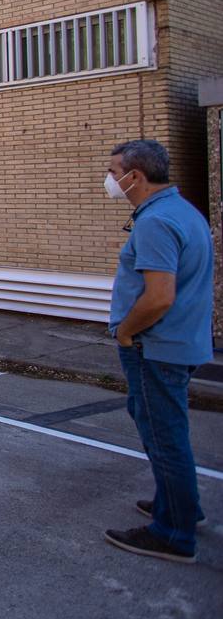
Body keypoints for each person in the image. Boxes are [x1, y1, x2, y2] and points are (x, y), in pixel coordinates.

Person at [102, 140, 212, 564]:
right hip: (180, 342)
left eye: (114, 171)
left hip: (156, 346)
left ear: (136, 176)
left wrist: (127, 332)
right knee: (166, 430)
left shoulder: (157, 222)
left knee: (164, 436)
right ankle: (180, 506)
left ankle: (172, 532)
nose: (110, 179)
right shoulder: (182, 211)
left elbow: (158, 297)